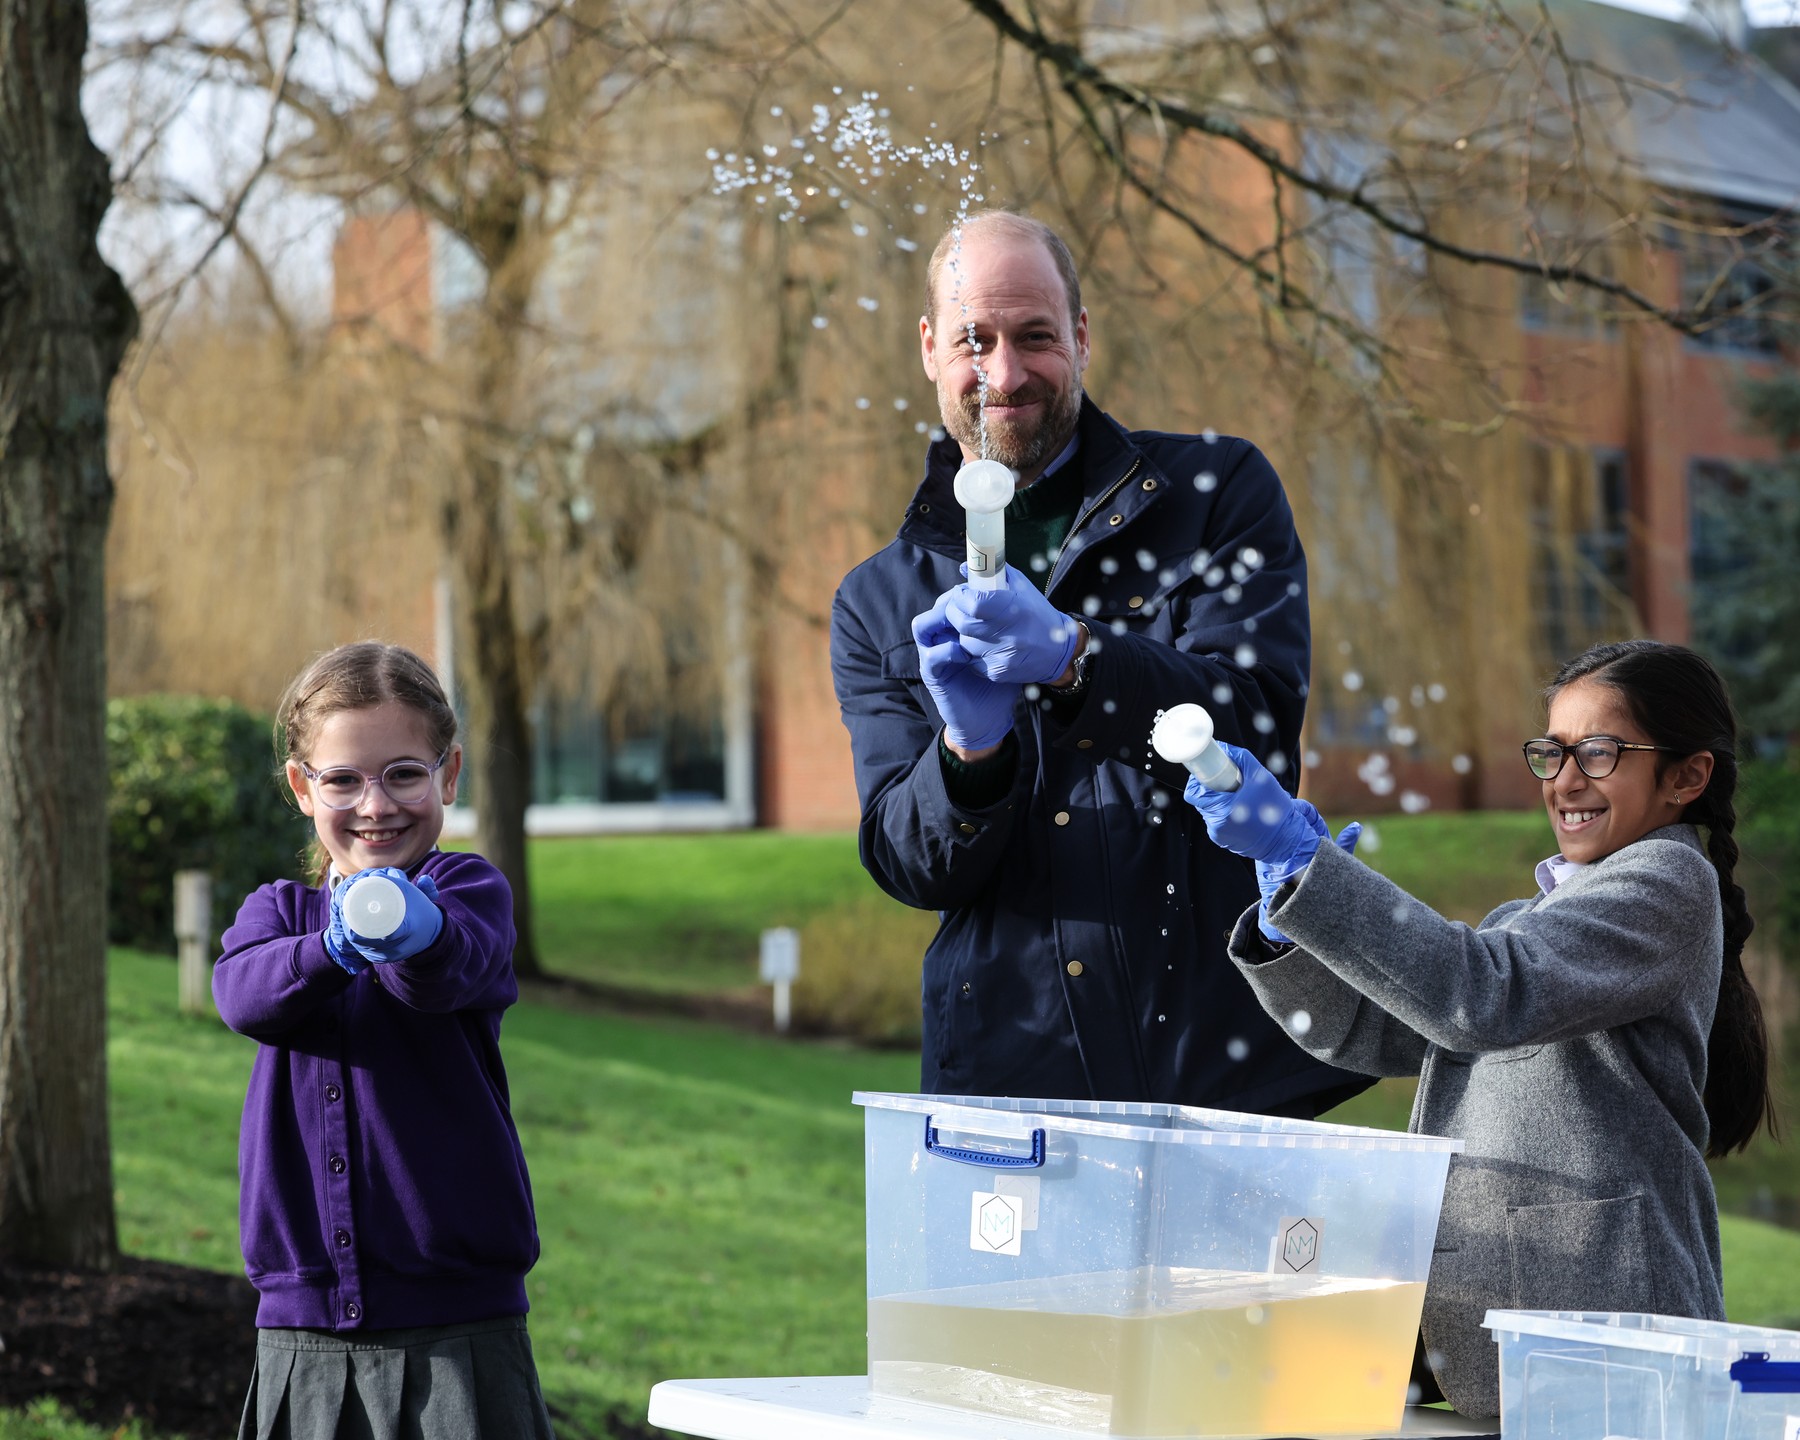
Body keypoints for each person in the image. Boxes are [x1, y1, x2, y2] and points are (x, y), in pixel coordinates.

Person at [830, 208, 1369, 1115]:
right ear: (929, 349)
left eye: (1035, 336)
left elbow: (1258, 727)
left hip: (1229, 1071)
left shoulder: (1213, 494)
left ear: (1080, 337)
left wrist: (1079, 660)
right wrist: (969, 758)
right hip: (1015, 1088)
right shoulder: (877, 599)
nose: (1005, 374)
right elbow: (913, 867)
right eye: (975, 340)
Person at [1184, 638, 1776, 1418]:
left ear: (1686, 776)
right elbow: (1371, 1030)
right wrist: (1292, 920)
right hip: (1518, 1331)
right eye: (1551, 752)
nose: (1565, 780)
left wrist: (1311, 869)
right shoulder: (1529, 920)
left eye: (1598, 753)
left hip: (1609, 1338)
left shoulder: (1668, 879)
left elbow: (1480, 994)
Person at [214, 642, 555, 1440]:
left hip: (458, 1332)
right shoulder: (277, 914)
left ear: (449, 775)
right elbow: (244, 996)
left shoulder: (471, 893)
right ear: (303, 787)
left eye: (404, 773)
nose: (376, 804)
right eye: (343, 779)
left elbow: (437, 973)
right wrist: (334, 944)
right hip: (302, 1332)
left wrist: (403, 922)